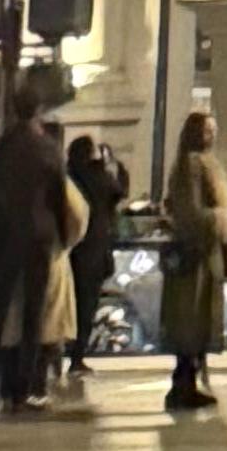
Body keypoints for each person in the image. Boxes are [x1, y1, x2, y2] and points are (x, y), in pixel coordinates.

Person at [0, 100, 76, 418]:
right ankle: (24, 390)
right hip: (39, 236)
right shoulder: (47, 149)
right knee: (32, 314)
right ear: (38, 113)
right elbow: (60, 196)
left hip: (5, 235)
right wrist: (62, 237)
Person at [153, 113, 227, 416]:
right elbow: (190, 211)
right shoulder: (190, 165)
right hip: (195, 255)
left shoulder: (202, 164)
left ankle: (190, 380)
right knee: (190, 317)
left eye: (214, 130)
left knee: (197, 317)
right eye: (207, 130)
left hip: (205, 252)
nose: (212, 135)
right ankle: (184, 383)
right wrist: (221, 220)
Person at [63, 126, 129, 380]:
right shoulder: (99, 176)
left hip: (71, 249)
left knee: (67, 305)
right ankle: (77, 358)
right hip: (94, 250)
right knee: (86, 305)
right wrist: (112, 164)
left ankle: (55, 356)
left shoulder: (68, 176)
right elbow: (119, 190)